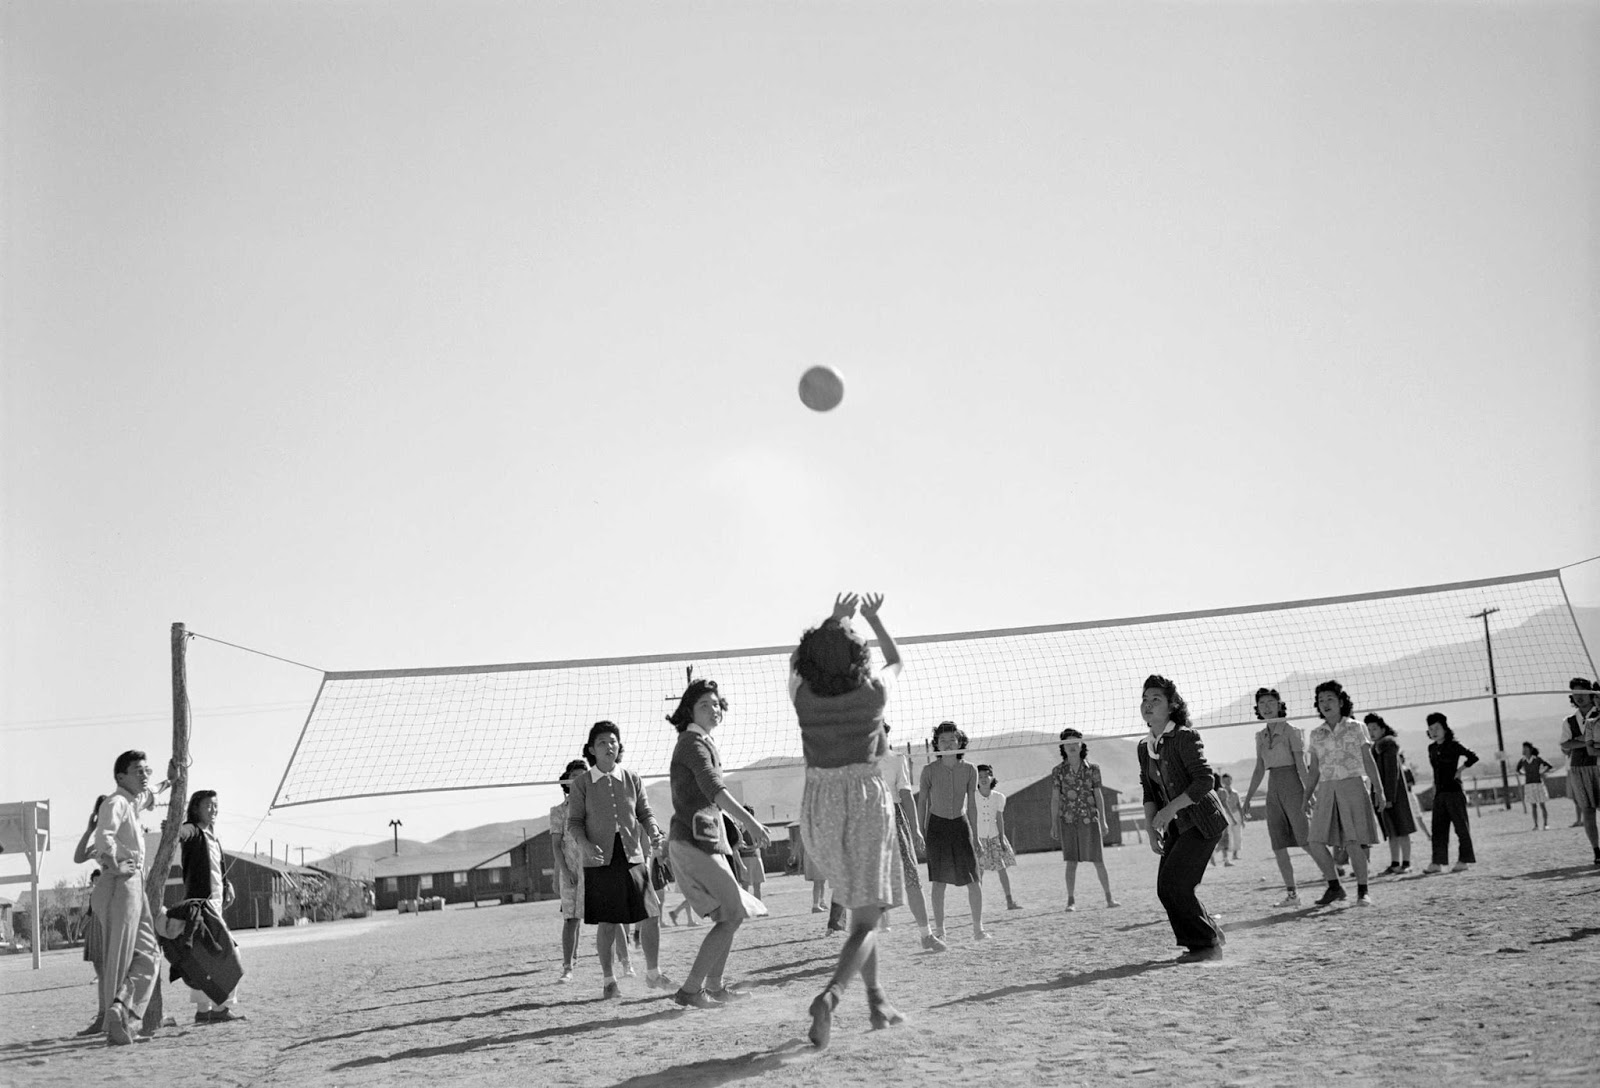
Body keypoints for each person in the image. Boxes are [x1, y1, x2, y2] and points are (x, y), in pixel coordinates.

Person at [790, 592, 908, 1048]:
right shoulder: (875, 691)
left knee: (864, 907)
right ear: (860, 655)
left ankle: (877, 1000)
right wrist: (873, 620)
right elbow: (896, 660)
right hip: (863, 800)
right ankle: (830, 997)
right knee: (866, 919)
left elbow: (797, 663)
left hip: (818, 804)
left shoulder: (801, 694)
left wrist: (833, 620)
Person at [665, 678, 771, 1008]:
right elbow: (714, 790)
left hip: (709, 843)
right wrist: (751, 823)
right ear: (688, 711)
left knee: (732, 916)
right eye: (704, 705)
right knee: (733, 912)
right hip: (690, 843)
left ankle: (714, 985)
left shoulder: (705, 742)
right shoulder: (691, 744)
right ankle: (691, 990)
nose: (713, 709)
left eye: (715, 704)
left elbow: (710, 801)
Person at [566, 721, 672, 999]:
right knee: (609, 923)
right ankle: (609, 980)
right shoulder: (581, 784)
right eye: (602, 742)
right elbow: (574, 823)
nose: (609, 746)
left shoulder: (632, 778)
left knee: (651, 914)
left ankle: (653, 973)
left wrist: (654, 832)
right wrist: (586, 846)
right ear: (591, 749)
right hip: (600, 860)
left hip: (633, 854)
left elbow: (645, 813)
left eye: (613, 741)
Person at [1138, 675, 1228, 961]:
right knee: (1166, 888)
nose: (1148, 705)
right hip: (1177, 824)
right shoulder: (1145, 747)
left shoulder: (1185, 737)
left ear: (1172, 705)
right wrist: (1152, 830)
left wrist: (1169, 810)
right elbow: (1149, 790)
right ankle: (1210, 932)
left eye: (1156, 700)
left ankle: (1206, 946)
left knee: (1176, 885)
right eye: (1145, 699)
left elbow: (1204, 781)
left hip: (1203, 821)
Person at [1241, 688, 1337, 908]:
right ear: (1257, 708)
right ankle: (1292, 894)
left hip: (1293, 786)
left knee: (1307, 841)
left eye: (1270, 702)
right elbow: (1259, 768)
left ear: (1279, 705)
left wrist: (1309, 792)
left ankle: (1334, 882)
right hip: (1274, 788)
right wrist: (1247, 798)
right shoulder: (1261, 735)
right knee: (1278, 844)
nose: (1266, 707)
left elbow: (1302, 765)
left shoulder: (1291, 731)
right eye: (1262, 703)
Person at [93, 750, 164, 1045]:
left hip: (134, 884)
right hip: (119, 883)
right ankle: (117, 1024)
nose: (144, 774)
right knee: (120, 957)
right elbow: (102, 838)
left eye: (147, 769)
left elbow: (151, 793)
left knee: (149, 955)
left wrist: (168, 781)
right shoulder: (116, 801)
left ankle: (120, 1009)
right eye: (138, 770)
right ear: (121, 776)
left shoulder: (132, 802)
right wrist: (114, 863)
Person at [1303, 680, 1386, 906]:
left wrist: (1379, 790)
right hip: (1327, 788)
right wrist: (1306, 795)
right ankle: (1335, 886)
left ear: (1341, 701)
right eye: (1321, 701)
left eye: (1330, 699)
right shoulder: (1316, 734)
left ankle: (1363, 891)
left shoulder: (1357, 727)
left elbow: (1368, 761)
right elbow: (1314, 770)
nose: (1325, 704)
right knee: (1315, 841)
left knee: (1353, 842)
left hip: (1353, 785)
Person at [173, 790, 244, 1023]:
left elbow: (217, 868)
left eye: (216, 805)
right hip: (201, 908)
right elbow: (183, 833)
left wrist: (227, 884)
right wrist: (174, 829)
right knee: (226, 954)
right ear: (196, 809)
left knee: (206, 957)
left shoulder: (212, 836)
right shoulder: (193, 830)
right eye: (208, 806)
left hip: (215, 905)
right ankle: (217, 1009)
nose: (213, 810)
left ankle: (205, 1011)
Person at [919, 720, 986, 942]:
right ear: (936, 744)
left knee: (974, 880)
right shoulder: (929, 771)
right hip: (937, 827)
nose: (948, 744)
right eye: (943, 740)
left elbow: (973, 804)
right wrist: (920, 831)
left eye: (952, 740)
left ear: (960, 742)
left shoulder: (969, 769)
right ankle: (940, 930)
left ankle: (978, 929)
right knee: (938, 882)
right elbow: (923, 804)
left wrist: (975, 836)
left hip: (960, 824)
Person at [880, 722, 944, 951]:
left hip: (894, 818)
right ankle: (865, 942)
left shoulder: (897, 759)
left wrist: (915, 829)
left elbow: (906, 795)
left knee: (911, 877)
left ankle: (926, 935)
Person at [550, 758, 608, 984]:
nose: (579, 780)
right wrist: (564, 872)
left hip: (596, 868)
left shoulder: (598, 808)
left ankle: (624, 964)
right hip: (572, 870)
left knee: (609, 919)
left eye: (583, 776)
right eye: (574, 776)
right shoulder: (558, 812)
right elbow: (556, 846)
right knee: (571, 920)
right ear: (566, 782)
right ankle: (567, 967)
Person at [1050, 728, 1117, 910]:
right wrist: (1054, 823)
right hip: (1069, 820)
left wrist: (1102, 820)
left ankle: (1109, 898)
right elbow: (1055, 798)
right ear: (1062, 747)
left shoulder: (1093, 769)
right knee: (1071, 862)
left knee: (1098, 861)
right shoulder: (1058, 771)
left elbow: (1098, 795)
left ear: (1081, 744)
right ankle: (1071, 901)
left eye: (1075, 742)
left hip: (1090, 819)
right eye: (1067, 743)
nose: (1071, 746)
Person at [1423, 712, 1479, 874]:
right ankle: (1437, 863)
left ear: (1445, 728)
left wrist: (1460, 769)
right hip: (1440, 793)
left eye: (1437, 728)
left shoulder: (1454, 745)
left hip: (1454, 792)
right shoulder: (1431, 748)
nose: (1434, 732)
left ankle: (1464, 860)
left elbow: (1473, 757)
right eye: (1431, 729)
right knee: (1438, 829)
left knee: (1461, 828)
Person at [72, 797, 108, 1035]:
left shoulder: (126, 837)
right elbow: (78, 857)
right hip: (99, 909)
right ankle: (104, 1015)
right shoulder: (98, 842)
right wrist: (89, 830)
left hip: (117, 905)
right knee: (101, 966)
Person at [1365, 714, 1416, 873]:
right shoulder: (1373, 747)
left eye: (1374, 728)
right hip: (1381, 795)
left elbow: (1392, 772)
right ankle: (1395, 864)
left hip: (1394, 795)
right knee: (1391, 831)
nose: (1371, 732)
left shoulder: (1388, 744)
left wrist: (1389, 797)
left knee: (1402, 829)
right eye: (1368, 729)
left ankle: (1406, 863)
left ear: (1383, 729)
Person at [1558, 678, 1600, 864]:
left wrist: (1582, 740)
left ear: (1592, 695)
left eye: (1582, 693)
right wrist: (1587, 739)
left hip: (1598, 764)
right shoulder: (1569, 721)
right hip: (1579, 768)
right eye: (1575, 695)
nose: (1579, 698)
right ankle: (1597, 852)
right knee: (1587, 810)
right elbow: (1565, 745)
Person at [973, 765, 1021, 910]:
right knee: (978, 871)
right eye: (980, 776)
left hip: (994, 836)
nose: (983, 779)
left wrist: (1001, 839)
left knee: (1002, 869)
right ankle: (977, 904)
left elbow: (999, 818)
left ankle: (1009, 901)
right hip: (979, 837)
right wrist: (973, 839)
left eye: (986, 776)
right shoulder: (972, 796)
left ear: (992, 777)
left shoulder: (999, 797)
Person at [1515, 743, 1554, 831]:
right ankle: (1536, 825)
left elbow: (1549, 766)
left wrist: (1542, 772)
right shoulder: (1523, 760)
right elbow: (1517, 770)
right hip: (1529, 784)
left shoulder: (1537, 759)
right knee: (1533, 806)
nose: (1524, 750)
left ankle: (1546, 824)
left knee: (1542, 805)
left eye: (1525, 748)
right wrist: (1524, 773)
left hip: (1538, 783)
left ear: (1530, 749)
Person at [1214, 775, 1243, 866]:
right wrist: (1233, 818)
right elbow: (1225, 806)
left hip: (1217, 817)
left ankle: (1226, 858)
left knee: (1224, 838)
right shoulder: (1222, 792)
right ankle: (1215, 856)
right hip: (1224, 816)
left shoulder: (1212, 792)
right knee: (1225, 838)